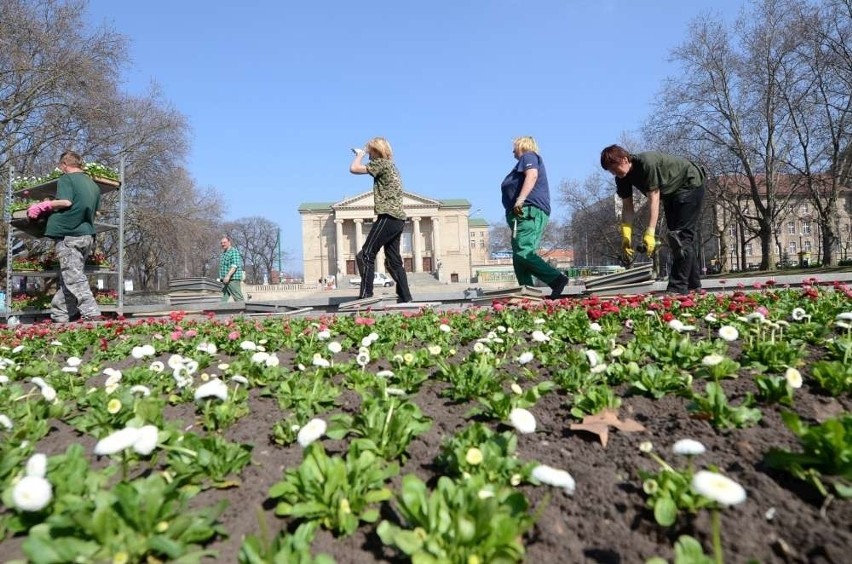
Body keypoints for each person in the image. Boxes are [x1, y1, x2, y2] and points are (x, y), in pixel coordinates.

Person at [600, 144, 706, 295]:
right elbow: (627, 207)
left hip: (689, 184)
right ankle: (694, 285)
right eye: (610, 171)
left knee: (681, 237)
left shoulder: (646, 164)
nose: (613, 172)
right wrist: (626, 235)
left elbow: (653, 198)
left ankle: (677, 287)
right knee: (679, 239)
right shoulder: (621, 177)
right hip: (671, 194)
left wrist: (650, 232)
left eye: (614, 167)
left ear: (624, 159)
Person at [27, 151, 101, 323]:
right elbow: (95, 211)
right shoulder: (93, 185)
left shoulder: (67, 179)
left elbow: (66, 202)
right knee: (69, 275)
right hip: (86, 235)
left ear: (64, 165)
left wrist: (44, 205)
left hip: (70, 235)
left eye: (61, 167)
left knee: (74, 276)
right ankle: (61, 314)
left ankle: (91, 311)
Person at [500, 136, 569, 298]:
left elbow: (532, 175)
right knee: (519, 259)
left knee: (524, 252)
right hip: (520, 215)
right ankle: (528, 296)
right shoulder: (523, 161)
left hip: (528, 211)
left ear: (522, 146)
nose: (512, 151)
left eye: (514, 147)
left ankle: (557, 279)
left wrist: (520, 199)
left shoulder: (529, 156)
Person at [349, 137, 413, 303]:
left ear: (377, 151)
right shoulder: (392, 166)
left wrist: (360, 154)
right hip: (398, 219)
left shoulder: (381, 163)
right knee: (393, 261)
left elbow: (354, 168)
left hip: (388, 216)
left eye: (370, 151)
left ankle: (366, 295)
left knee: (366, 254)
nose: (369, 155)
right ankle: (406, 297)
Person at [218, 236, 245, 302]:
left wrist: (228, 276)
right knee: (223, 299)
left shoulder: (234, 251)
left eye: (224, 242)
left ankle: (243, 311)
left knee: (238, 298)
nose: (223, 244)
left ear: (229, 243)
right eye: (221, 243)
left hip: (232, 279)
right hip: (225, 280)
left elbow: (234, 265)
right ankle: (220, 311)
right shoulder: (223, 253)